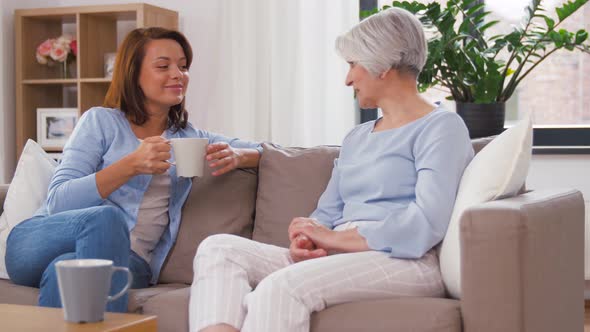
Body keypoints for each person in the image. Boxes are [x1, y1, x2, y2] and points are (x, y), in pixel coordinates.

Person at [189, 7, 475, 332]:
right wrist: (309, 237)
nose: (348, 78)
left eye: (353, 64)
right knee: (219, 248)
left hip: (406, 259)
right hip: (342, 252)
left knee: (281, 288)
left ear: (382, 65)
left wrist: (335, 238)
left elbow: (425, 223)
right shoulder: (357, 137)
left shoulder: (441, 127)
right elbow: (327, 212)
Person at [5, 27, 262, 312]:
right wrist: (130, 165)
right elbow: (59, 202)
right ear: (133, 73)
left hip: (131, 262)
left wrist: (240, 155)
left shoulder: (191, 138)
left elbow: (271, 152)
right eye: (164, 66)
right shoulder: (100, 123)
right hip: (36, 242)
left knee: (62, 272)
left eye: (184, 66)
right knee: (106, 219)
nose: (178, 74)